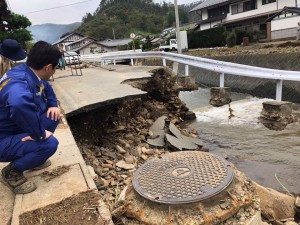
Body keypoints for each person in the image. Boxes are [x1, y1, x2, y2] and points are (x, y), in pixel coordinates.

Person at [0, 41, 62, 194]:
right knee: (49, 144)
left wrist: (53, 104)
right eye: (55, 68)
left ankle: (34, 159)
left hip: (15, 126)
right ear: (48, 67)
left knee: (53, 116)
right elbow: (18, 103)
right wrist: (38, 134)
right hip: (4, 137)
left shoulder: (27, 71)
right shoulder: (18, 81)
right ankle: (11, 172)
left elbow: (46, 87)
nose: (54, 71)